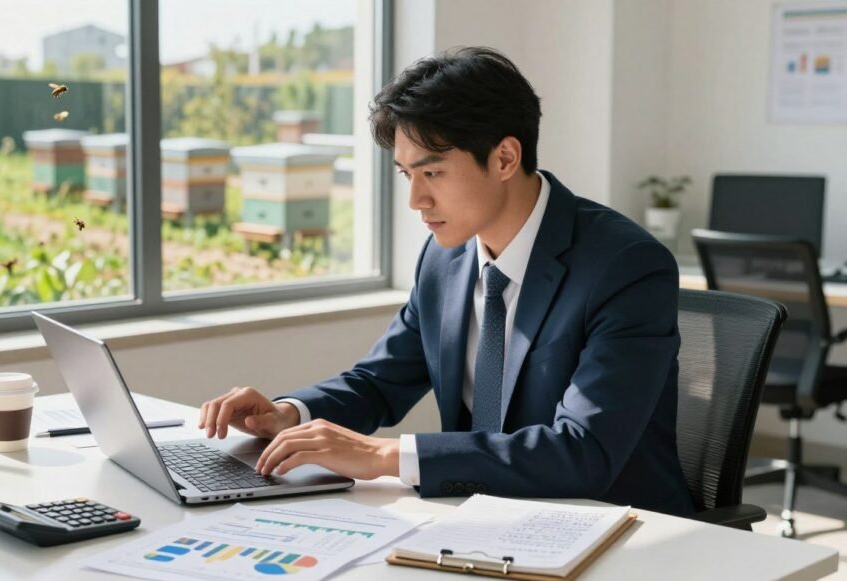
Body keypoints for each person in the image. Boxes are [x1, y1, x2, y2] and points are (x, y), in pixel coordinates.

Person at [199, 46, 694, 516]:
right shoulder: (445, 259)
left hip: (619, 528)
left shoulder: (626, 265)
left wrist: (386, 456)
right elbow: (378, 382)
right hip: (481, 520)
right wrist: (290, 413)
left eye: (432, 172)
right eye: (405, 175)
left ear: (504, 158)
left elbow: (582, 452)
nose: (416, 199)